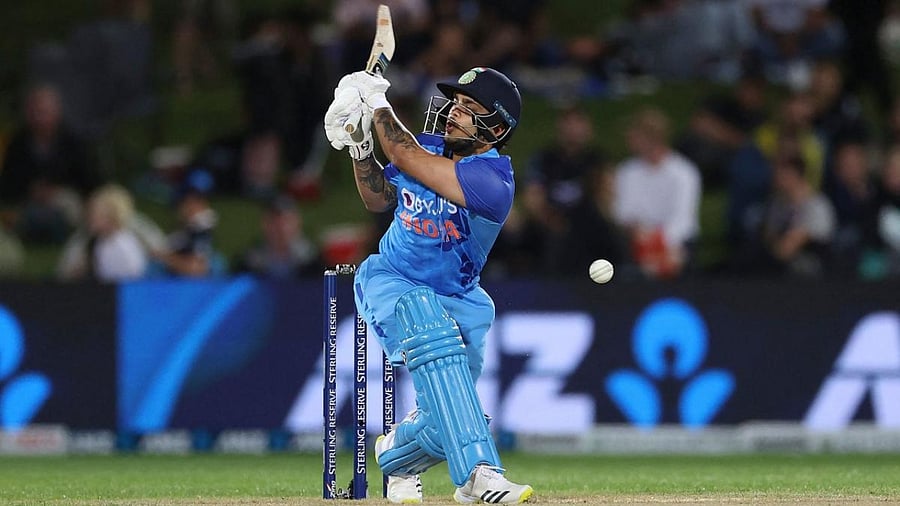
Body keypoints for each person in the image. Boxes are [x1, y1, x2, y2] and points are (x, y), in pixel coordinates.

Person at [323, 67, 533, 504]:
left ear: (495, 127)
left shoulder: (492, 182)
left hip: (458, 297)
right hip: (392, 279)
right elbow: (378, 198)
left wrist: (378, 102)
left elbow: (404, 157)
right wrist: (361, 149)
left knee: (446, 419)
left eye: (468, 109)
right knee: (422, 311)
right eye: (454, 103)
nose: (453, 113)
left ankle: (396, 456)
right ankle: (479, 476)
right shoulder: (427, 147)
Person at [612, 107, 702, 279]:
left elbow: (683, 220)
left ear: (652, 137)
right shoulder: (626, 171)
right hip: (637, 240)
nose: (629, 139)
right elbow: (624, 213)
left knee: (677, 255)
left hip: (675, 243)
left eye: (634, 134)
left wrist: (660, 243)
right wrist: (644, 237)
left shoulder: (684, 172)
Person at [57, 183, 149, 282]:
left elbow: (128, 279)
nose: (90, 218)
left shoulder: (122, 245)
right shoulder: (99, 241)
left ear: (111, 216)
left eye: (95, 214)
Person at [234, 194, 323, 278]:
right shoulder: (249, 263)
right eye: (274, 221)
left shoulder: (315, 261)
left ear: (298, 223)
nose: (281, 228)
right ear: (264, 224)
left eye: (287, 221)